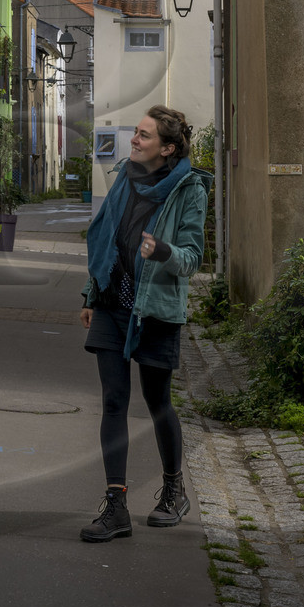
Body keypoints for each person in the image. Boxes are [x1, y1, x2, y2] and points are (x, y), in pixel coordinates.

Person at [78, 106, 208, 542]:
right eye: (136, 133)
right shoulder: (125, 178)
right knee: (114, 401)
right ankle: (116, 506)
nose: (134, 140)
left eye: (144, 136)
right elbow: (108, 240)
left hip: (155, 309)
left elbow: (192, 257)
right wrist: (91, 295)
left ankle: (173, 489)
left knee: (157, 403)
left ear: (167, 148)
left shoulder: (189, 189)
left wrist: (163, 251)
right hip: (114, 305)